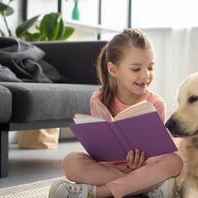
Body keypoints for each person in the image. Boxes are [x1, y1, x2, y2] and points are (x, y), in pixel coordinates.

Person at [48, 29, 183, 198]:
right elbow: (97, 148)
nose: (146, 75)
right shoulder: (98, 99)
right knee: (71, 161)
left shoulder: (156, 103)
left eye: (150, 67)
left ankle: (98, 193)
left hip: (144, 168)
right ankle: (146, 189)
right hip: (109, 169)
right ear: (113, 70)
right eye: (136, 69)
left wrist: (141, 162)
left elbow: (158, 153)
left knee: (174, 162)